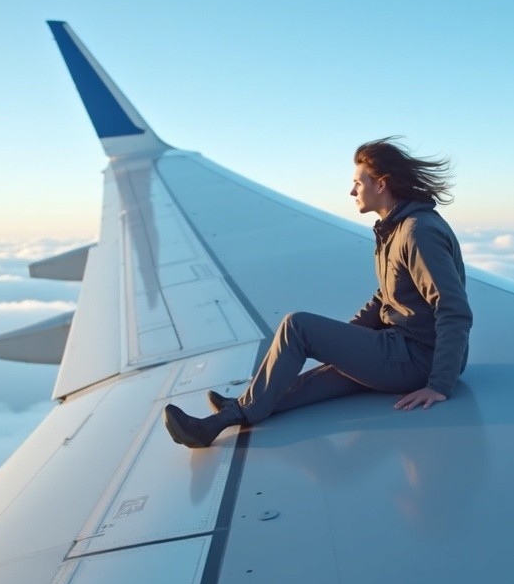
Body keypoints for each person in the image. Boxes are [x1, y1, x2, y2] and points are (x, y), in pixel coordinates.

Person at [163, 137, 473, 449]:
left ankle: (235, 412)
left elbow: (453, 309)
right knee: (318, 383)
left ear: (381, 184)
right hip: (401, 350)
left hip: (416, 360)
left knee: (297, 326)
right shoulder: (395, 228)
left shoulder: (419, 232)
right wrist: (345, 339)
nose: (352, 191)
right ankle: (230, 414)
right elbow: (386, 295)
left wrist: (439, 384)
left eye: (358, 183)